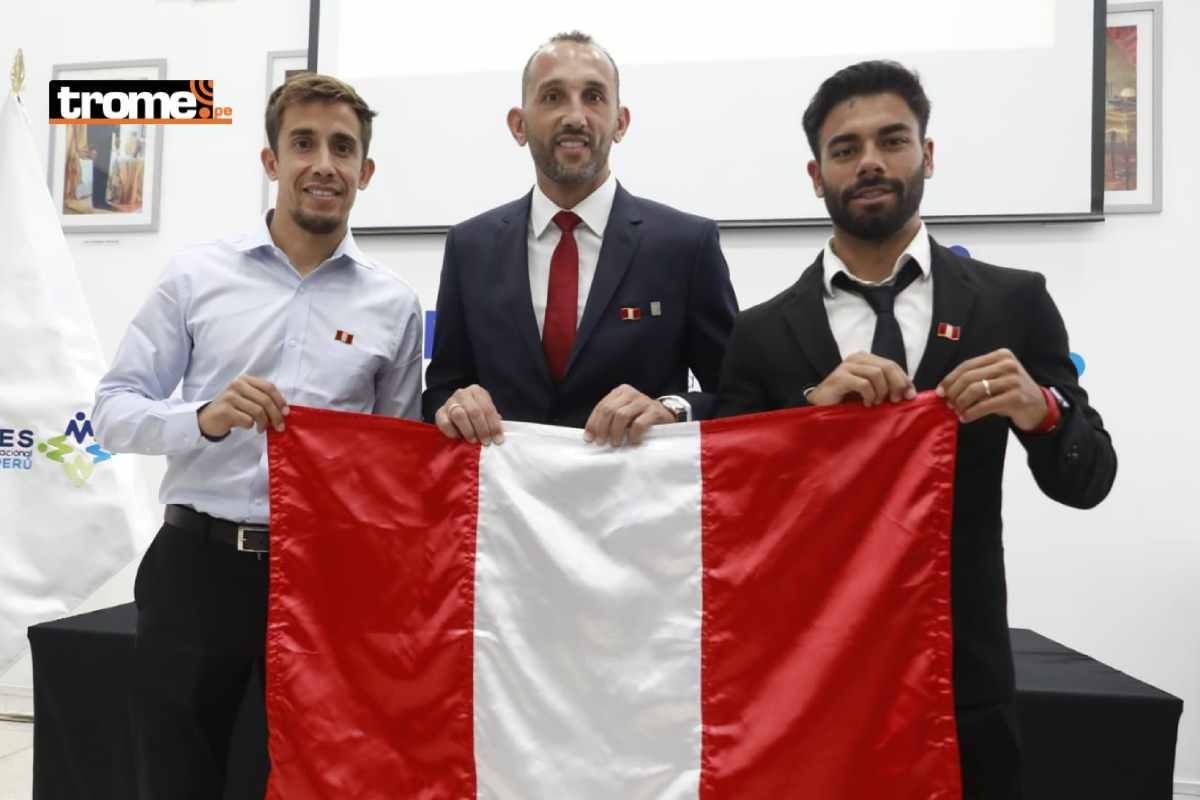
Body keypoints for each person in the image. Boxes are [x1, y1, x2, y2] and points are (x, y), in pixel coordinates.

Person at [716, 61, 1117, 799]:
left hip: (963, 679)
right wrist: (809, 423)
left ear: (927, 155)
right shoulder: (761, 334)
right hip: (807, 683)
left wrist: (1044, 409)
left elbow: (1087, 482)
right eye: (845, 149)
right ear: (816, 174)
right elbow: (735, 518)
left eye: (892, 140)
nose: (869, 161)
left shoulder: (1013, 303)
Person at [93, 73, 423, 799]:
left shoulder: (395, 307)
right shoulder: (194, 277)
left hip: (320, 579)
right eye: (303, 143)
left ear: (365, 172)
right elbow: (113, 411)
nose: (323, 164)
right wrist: (203, 418)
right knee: (177, 774)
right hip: (197, 567)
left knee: (308, 775)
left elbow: (397, 464)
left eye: (343, 148)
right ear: (271, 160)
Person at [423, 31, 737, 447]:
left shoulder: (686, 245)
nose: (575, 117)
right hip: (506, 504)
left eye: (593, 96)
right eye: (553, 97)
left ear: (620, 122)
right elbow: (441, 392)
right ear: (519, 125)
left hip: (639, 503)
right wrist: (454, 405)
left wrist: (673, 409)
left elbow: (738, 394)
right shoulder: (469, 247)